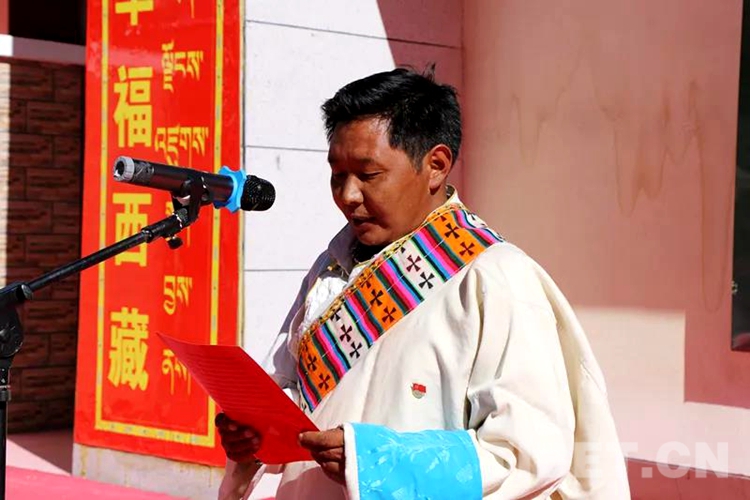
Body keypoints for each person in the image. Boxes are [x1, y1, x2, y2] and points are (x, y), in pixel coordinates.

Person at [217, 67, 630, 500]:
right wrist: (255, 434)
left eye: (368, 175)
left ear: (435, 166)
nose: (348, 195)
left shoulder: (494, 278)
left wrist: (376, 462)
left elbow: (525, 452)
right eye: (337, 175)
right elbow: (293, 392)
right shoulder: (331, 267)